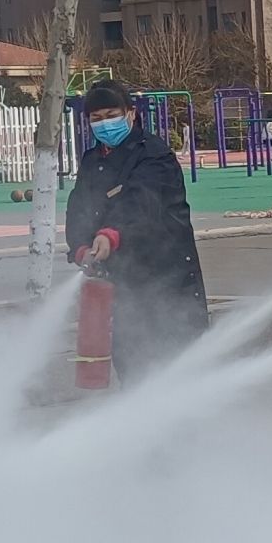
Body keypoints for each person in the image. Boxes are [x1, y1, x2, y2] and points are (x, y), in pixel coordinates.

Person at [64, 78, 209, 379]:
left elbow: (142, 203)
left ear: (131, 113)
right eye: (96, 118)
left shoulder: (154, 155)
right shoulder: (93, 160)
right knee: (131, 363)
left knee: (177, 363)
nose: (104, 124)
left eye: (111, 115)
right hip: (125, 282)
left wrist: (110, 234)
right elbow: (79, 208)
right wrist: (80, 246)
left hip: (168, 276)